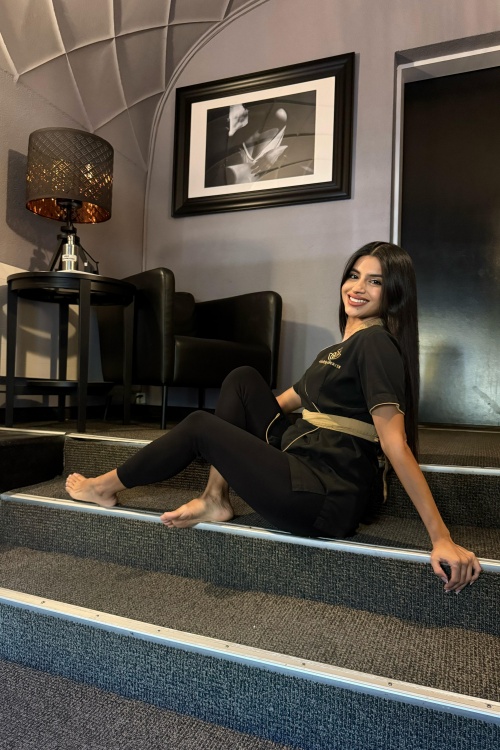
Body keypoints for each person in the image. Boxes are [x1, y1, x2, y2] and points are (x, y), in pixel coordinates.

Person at [66, 241, 481, 593]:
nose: (357, 288)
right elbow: (281, 400)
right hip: (303, 459)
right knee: (242, 378)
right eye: (354, 275)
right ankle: (214, 498)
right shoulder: (337, 350)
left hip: (323, 495)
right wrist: (237, 433)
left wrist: (441, 537)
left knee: (199, 426)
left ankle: (105, 486)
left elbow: (394, 443)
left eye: (375, 281)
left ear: (395, 293)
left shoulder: (377, 345)